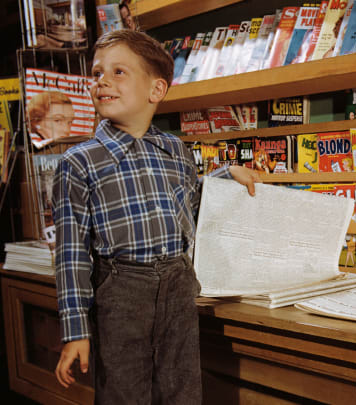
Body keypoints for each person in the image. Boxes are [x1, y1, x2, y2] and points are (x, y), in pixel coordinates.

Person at [53, 30, 260, 404]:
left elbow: (191, 203)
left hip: (178, 287)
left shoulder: (175, 149)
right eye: (97, 73)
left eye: (118, 72)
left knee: (182, 389)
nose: (102, 81)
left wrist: (226, 174)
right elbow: (70, 256)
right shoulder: (79, 162)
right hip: (122, 290)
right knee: (123, 391)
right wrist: (75, 331)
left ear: (156, 90)